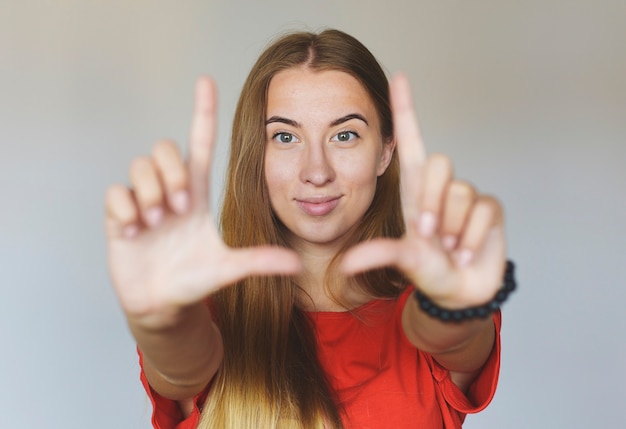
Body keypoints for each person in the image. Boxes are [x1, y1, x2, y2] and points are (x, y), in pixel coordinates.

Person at [104, 29, 513, 428]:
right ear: (256, 156)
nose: (317, 172)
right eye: (285, 137)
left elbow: (452, 338)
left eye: (345, 135)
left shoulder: (435, 301)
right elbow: (182, 365)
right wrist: (162, 320)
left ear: (386, 151)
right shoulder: (205, 317)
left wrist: (454, 305)